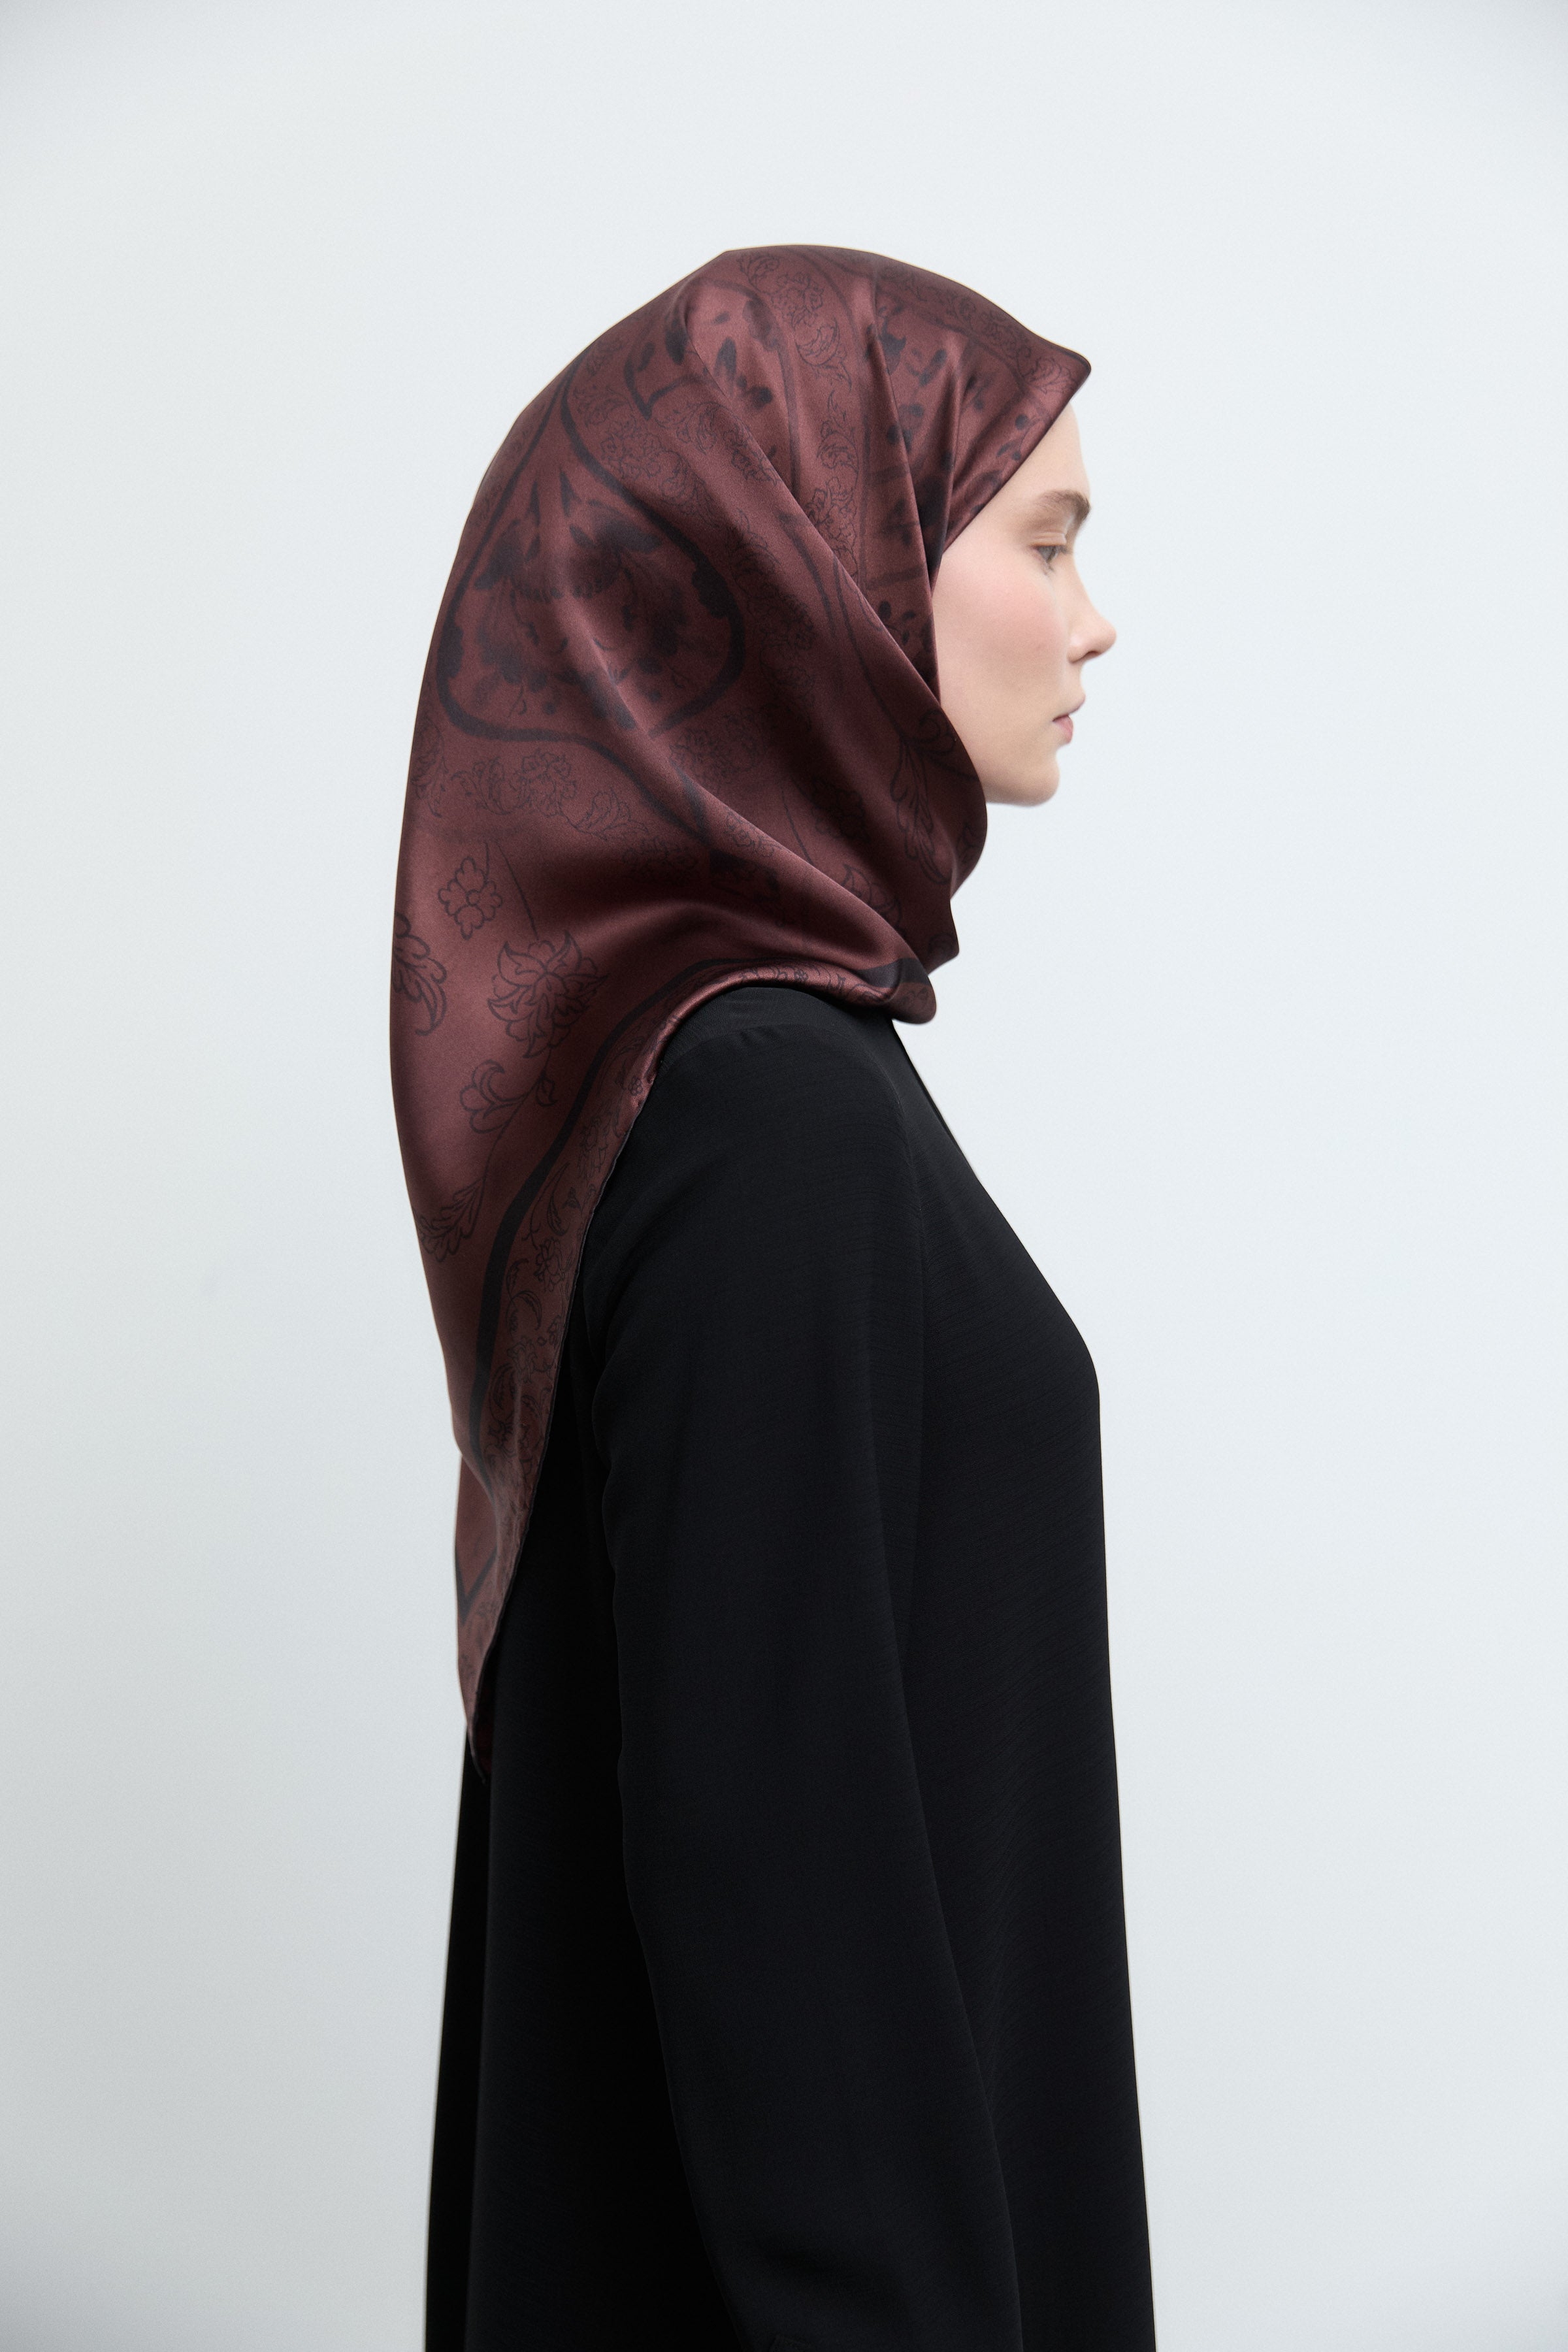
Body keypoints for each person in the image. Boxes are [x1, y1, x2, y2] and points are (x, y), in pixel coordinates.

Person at [391, 244, 1155, 2351]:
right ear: (822, 563)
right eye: (1048, 541)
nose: (1095, 619)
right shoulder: (761, 1121)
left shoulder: (761, 1085)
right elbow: (776, 1897)